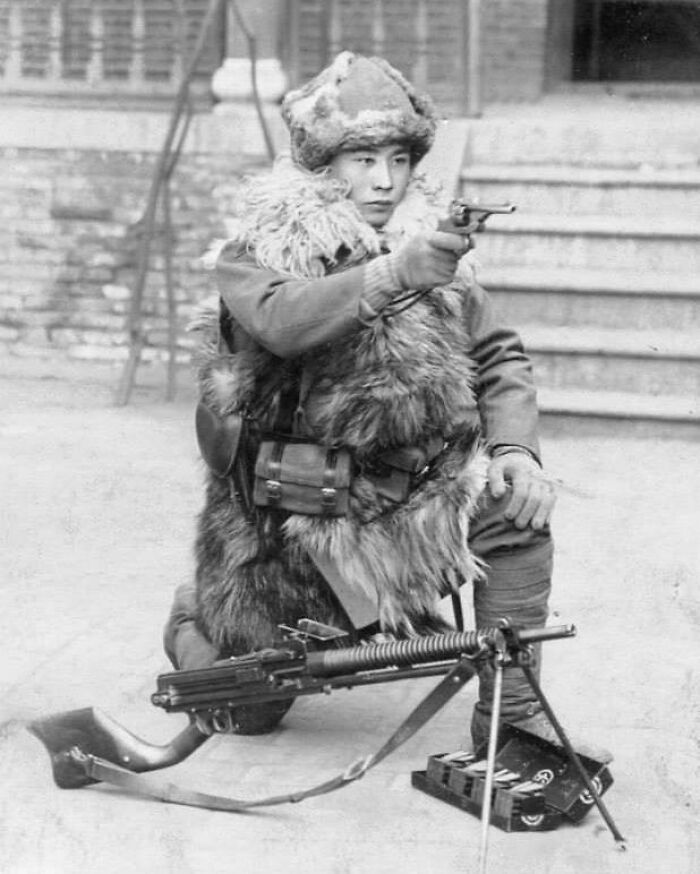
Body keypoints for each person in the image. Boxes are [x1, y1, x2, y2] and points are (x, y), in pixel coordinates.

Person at [164, 52, 556, 747]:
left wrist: (517, 451)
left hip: (408, 515)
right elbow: (285, 322)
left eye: (400, 158)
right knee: (248, 711)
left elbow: (498, 354)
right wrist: (395, 274)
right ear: (322, 165)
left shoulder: (433, 253)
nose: (385, 180)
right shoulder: (259, 251)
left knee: (516, 512)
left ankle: (515, 722)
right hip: (285, 540)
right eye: (363, 159)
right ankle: (192, 621)